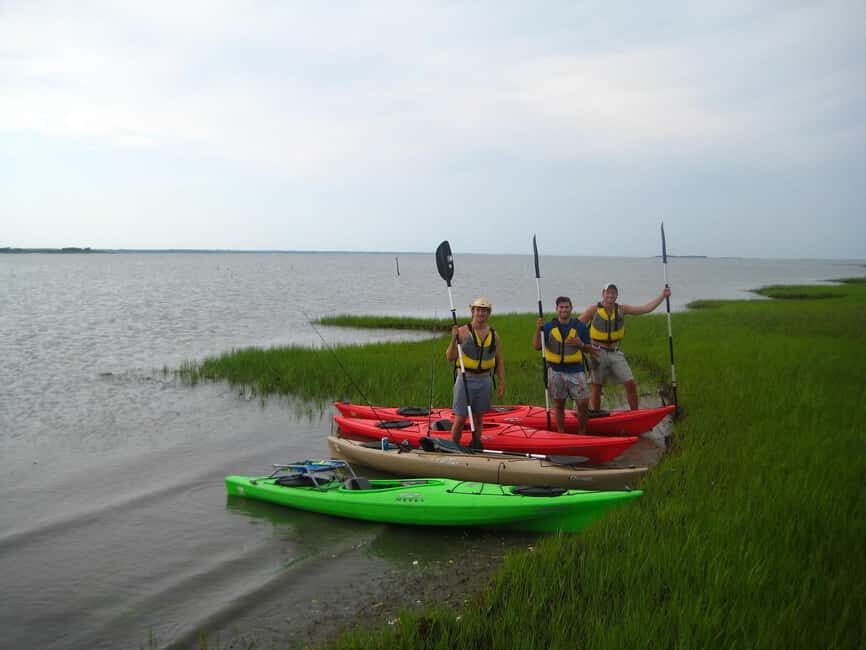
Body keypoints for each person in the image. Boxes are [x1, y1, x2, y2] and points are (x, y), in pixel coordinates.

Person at [578, 283, 671, 411]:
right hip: (597, 352)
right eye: (608, 292)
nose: (610, 295)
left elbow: (645, 309)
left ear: (617, 295)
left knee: (630, 383)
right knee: (597, 386)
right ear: (603, 294)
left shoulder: (622, 309)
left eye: (613, 292)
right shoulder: (593, 310)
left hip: (615, 352)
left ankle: (635, 414)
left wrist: (662, 296)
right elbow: (576, 326)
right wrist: (581, 345)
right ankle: (597, 414)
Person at [445, 297, 506, 449]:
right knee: (460, 419)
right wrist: (454, 340)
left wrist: (502, 382)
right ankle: (453, 448)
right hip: (466, 379)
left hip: (484, 380)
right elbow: (450, 357)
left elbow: (499, 360)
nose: (481, 313)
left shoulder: (494, 335)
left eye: (484, 311)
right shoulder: (462, 332)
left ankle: (476, 446)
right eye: (478, 310)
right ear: (472, 311)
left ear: (489, 314)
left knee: (479, 419)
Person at [533, 296, 597, 433]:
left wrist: (580, 344)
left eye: (566, 307)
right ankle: (561, 432)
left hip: (576, 370)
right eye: (561, 307)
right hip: (556, 371)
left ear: (571, 308)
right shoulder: (549, 327)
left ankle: (582, 432)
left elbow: (591, 349)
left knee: (583, 403)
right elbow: (537, 346)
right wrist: (538, 329)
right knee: (559, 404)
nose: (564, 310)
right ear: (556, 309)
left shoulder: (580, 327)